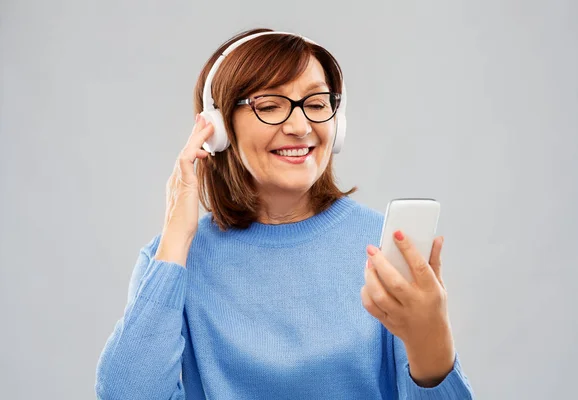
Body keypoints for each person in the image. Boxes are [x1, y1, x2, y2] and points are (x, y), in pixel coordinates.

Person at [95, 28, 475, 399]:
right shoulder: (171, 261)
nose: (299, 126)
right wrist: (176, 237)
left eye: (315, 104)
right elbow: (125, 393)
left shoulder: (384, 247)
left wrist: (432, 345)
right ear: (219, 128)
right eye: (269, 105)